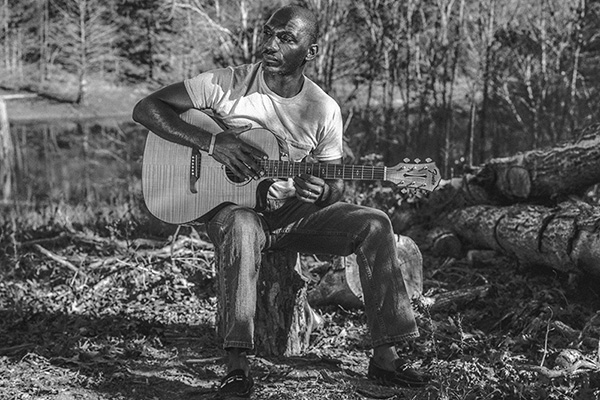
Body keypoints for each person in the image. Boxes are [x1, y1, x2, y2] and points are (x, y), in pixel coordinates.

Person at [132, 5, 430, 397]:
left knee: (375, 223)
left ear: (311, 51)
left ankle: (386, 358)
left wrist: (322, 192)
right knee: (241, 224)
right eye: (268, 33)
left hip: (291, 216)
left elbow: (333, 183)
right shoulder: (224, 84)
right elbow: (146, 109)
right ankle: (237, 367)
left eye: (285, 38)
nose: (270, 44)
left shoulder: (324, 109)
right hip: (233, 213)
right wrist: (210, 142)